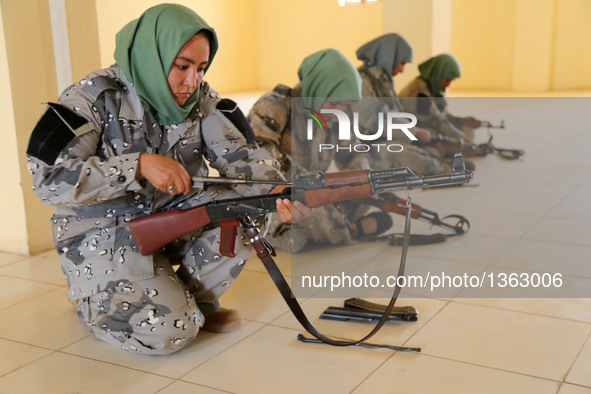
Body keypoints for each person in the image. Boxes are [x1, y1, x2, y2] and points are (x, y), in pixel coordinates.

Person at [26, 4, 310, 355]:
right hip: (105, 235)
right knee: (172, 334)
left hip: (172, 217)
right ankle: (98, 305)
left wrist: (280, 190)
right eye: (182, 66)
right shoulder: (91, 97)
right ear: (154, 52)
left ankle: (193, 303)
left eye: (201, 68)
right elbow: (48, 179)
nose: (192, 81)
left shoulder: (200, 99)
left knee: (251, 207)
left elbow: (243, 158)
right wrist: (137, 166)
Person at [248, 49, 393, 253]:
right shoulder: (274, 106)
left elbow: (355, 154)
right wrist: (321, 191)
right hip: (274, 195)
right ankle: (350, 228)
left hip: (308, 193)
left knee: (366, 193)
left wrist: (354, 184)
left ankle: (337, 225)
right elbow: (262, 164)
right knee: (296, 239)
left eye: (344, 105)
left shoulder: (334, 115)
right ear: (317, 89)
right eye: (334, 103)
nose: (339, 110)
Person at [353, 33, 452, 175]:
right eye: (401, 63)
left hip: (386, 138)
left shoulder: (383, 81)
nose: (401, 70)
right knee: (404, 153)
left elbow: (394, 113)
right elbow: (374, 122)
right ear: (388, 57)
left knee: (431, 148)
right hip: (364, 148)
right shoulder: (362, 82)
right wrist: (413, 132)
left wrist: (414, 130)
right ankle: (443, 171)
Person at [398, 53, 482, 141]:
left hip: (428, 124)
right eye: (447, 80)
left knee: (467, 131)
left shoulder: (432, 86)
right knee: (441, 141)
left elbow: (443, 115)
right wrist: (463, 139)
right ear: (438, 74)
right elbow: (437, 121)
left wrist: (462, 121)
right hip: (414, 129)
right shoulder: (420, 92)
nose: (448, 85)